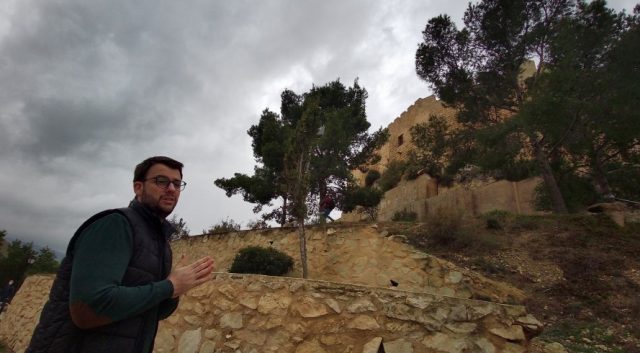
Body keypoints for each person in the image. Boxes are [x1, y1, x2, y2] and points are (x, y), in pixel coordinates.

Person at [26, 156, 214, 353]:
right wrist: (169, 286)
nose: (171, 189)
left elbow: (153, 313)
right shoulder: (115, 224)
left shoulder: (159, 243)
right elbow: (88, 309)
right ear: (138, 187)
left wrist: (175, 290)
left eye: (177, 183)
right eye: (161, 181)